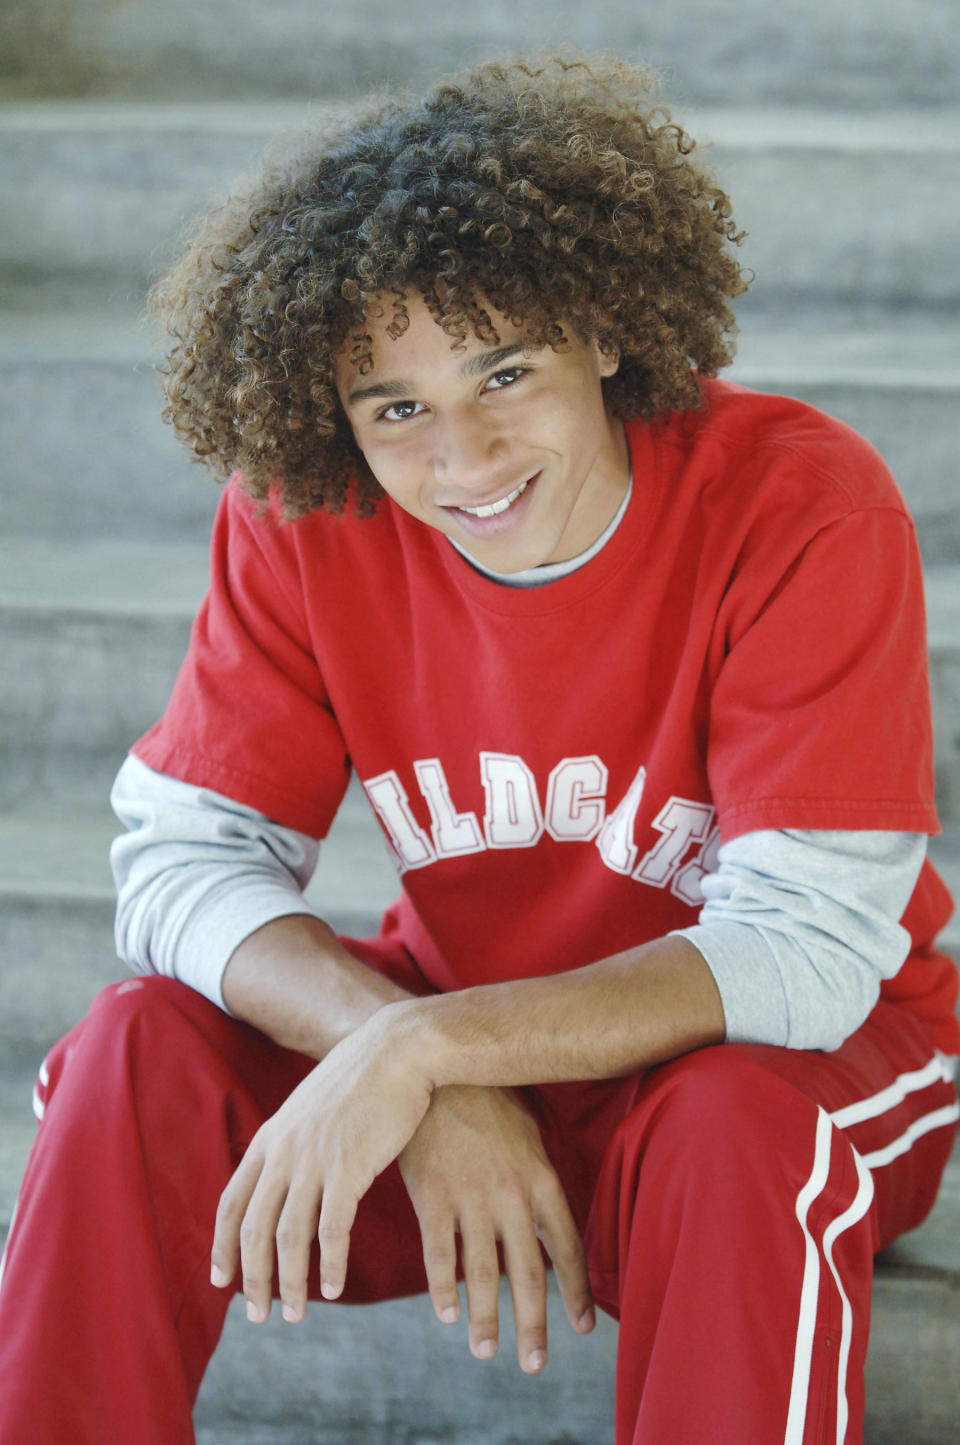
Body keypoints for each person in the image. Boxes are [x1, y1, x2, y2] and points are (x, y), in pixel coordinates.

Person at [1, 53, 957, 1445]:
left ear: (608, 331)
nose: (463, 453)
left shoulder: (800, 502)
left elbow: (806, 952)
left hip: (781, 1073)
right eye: (396, 405)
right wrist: (406, 1053)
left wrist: (430, 1052)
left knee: (742, 1129)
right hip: (474, 1043)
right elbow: (181, 866)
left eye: (504, 369)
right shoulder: (307, 515)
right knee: (130, 1050)